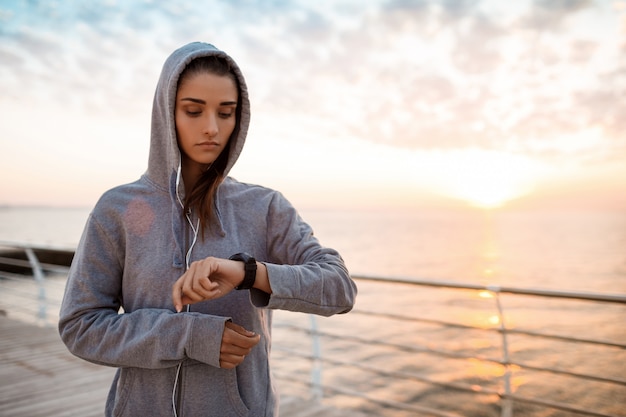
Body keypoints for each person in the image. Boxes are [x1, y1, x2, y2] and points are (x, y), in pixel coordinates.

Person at [58, 41, 357, 417]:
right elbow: (80, 326)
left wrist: (250, 273)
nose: (212, 128)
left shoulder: (263, 207)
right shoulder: (116, 209)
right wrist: (190, 336)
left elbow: (339, 287)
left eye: (226, 113)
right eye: (194, 111)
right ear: (167, 113)